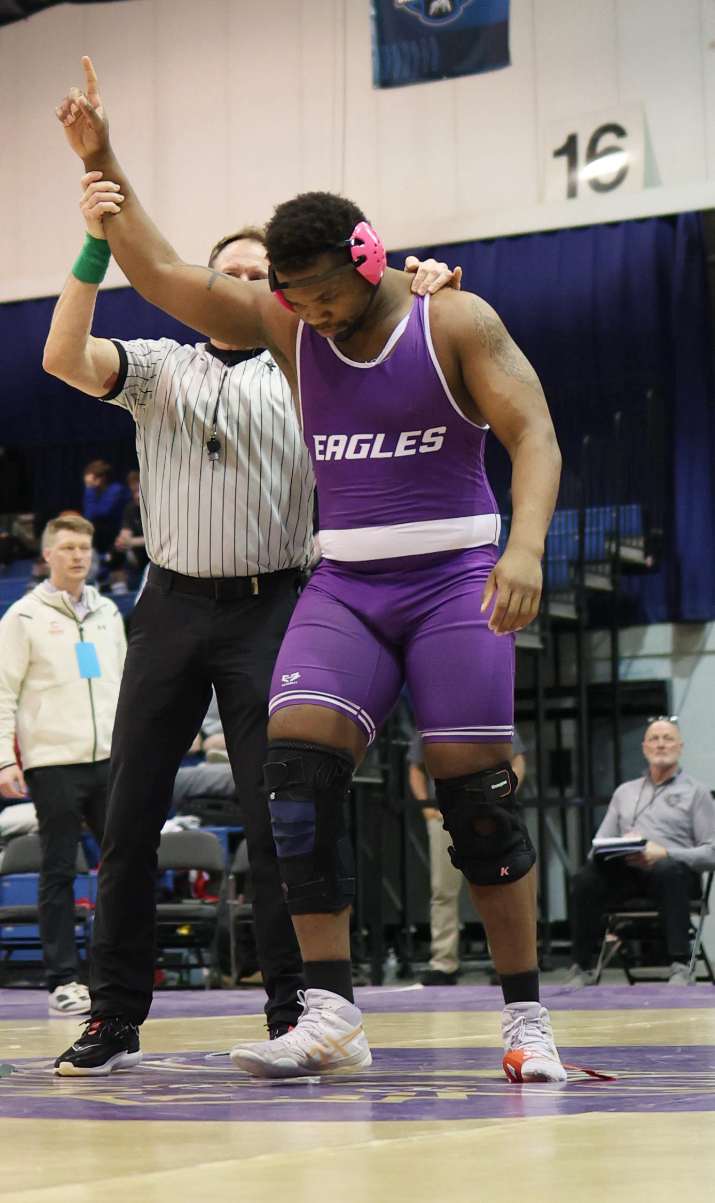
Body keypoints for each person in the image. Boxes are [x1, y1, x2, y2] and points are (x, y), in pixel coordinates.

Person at [53, 58, 563, 1083]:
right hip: (348, 584)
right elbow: (155, 273)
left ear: (371, 262)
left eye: (329, 293)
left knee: (478, 804)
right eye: (299, 298)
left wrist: (524, 548)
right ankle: (329, 1011)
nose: (317, 313)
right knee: (292, 771)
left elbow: (535, 431)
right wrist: (101, 160)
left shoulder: (450, 317)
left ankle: (524, 1019)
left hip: (451, 575)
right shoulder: (282, 322)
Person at [0, 514, 127, 1016]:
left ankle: (116, 972)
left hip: (111, 758)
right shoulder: (22, 617)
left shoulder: (109, 612)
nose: (77, 556)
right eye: (67, 547)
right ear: (47, 555)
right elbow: (1, 694)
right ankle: (63, 979)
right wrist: (5, 758)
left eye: (84, 547)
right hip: (52, 762)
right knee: (60, 869)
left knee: (124, 866)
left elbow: (125, 686)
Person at [565, 718, 715, 987]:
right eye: (655, 739)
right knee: (585, 878)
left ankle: (680, 964)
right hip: (627, 875)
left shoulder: (695, 792)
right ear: (644, 747)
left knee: (666, 869)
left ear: (680, 747)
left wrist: (666, 853)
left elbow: (713, 854)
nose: (661, 744)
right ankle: (584, 966)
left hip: (673, 876)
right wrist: (619, 846)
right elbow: (597, 847)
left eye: (668, 738)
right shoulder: (625, 792)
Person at [410, 724, 527, 986]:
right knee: (443, 891)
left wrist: (500, 798)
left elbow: (517, 762)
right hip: (445, 815)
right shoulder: (430, 717)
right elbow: (415, 768)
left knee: (496, 884)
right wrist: (427, 809)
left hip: (489, 813)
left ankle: (504, 962)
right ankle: (443, 962)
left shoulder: (491, 713)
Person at [82, 460, 127, 561]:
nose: (89, 485)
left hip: (117, 532)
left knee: (93, 527)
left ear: (100, 479)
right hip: (104, 534)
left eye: (90, 481)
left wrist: (89, 489)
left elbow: (94, 514)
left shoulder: (116, 490)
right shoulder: (97, 493)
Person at [112, 470, 146, 589]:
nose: (137, 496)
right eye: (133, 492)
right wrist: (122, 541)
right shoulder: (131, 508)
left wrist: (131, 542)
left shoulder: (160, 508)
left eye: (139, 490)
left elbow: (158, 540)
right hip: (138, 562)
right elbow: (125, 533)